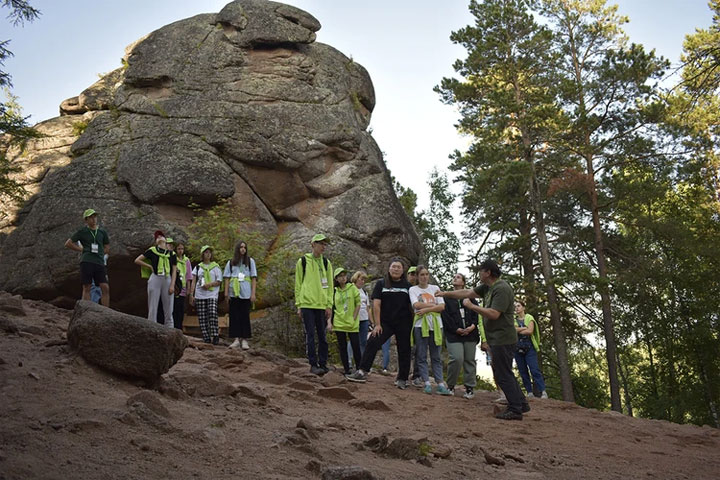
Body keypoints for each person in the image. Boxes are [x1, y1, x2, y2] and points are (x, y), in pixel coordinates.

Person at [437, 259, 529, 420]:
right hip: (497, 338)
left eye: (481, 271)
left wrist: (472, 307)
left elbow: (494, 313)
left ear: (488, 272)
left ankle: (515, 409)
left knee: (502, 374)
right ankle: (521, 403)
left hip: (503, 338)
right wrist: (445, 294)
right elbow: (466, 293)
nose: (479, 273)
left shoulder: (501, 288)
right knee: (505, 371)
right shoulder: (488, 287)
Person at [347, 258, 414, 389]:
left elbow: (413, 306)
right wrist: (377, 324)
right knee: (372, 341)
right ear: (389, 268)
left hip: (404, 323)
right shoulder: (381, 284)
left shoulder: (408, 287)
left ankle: (402, 378)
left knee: (405, 349)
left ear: (402, 270)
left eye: (398, 267)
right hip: (385, 323)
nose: (396, 269)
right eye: (393, 266)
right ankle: (362, 371)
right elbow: (376, 304)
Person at [295, 234, 334, 375]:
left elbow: (330, 285)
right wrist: (299, 304)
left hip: (322, 305)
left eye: (325, 244)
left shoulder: (326, 263)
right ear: (313, 244)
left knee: (322, 336)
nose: (323, 246)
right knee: (310, 335)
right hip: (307, 304)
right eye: (320, 243)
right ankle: (313, 364)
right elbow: (298, 284)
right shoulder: (303, 261)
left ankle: (323, 363)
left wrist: (329, 305)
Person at [410, 266, 451, 395]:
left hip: (436, 325)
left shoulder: (435, 289)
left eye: (426, 274)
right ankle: (426, 382)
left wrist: (427, 309)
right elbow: (416, 305)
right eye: (421, 274)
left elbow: (442, 306)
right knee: (421, 354)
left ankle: (440, 383)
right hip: (420, 325)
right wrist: (434, 305)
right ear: (417, 276)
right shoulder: (413, 289)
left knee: (436, 356)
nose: (424, 277)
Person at [441, 272, 480, 399]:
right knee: (456, 358)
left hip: (470, 334)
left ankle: (469, 388)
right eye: (454, 277)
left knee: (469, 360)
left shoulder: (470, 297)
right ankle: (450, 386)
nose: (455, 278)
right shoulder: (447, 298)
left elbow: (476, 313)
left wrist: (472, 326)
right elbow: (445, 316)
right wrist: (455, 329)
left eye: (458, 277)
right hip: (453, 335)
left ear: (463, 282)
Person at [64, 209, 110, 307]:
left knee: (104, 286)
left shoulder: (102, 232)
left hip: (99, 262)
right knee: (87, 286)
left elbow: (107, 247)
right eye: (91, 217)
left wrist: (101, 252)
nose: (93, 219)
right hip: (87, 261)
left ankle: (106, 311)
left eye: (95, 217)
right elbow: (68, 243)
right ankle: (87, 310)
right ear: (86, 220)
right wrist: (82, 250)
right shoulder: (82, 231)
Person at [134, 230, 177, 327]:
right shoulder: (152, 250)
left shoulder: (171, 254)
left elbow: (174, 270)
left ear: (165, 240)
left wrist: (172, 285)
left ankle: (170, 327)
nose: (159, 238)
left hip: (167, 278)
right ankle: (152, 326)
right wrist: (149, 266)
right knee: (153, 304)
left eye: (161, 236)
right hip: (156, 277)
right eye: (157, 237)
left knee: (169, 305)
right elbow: (137, 260)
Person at [223, 241, 257, 350]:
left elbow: (254, 278)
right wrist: (226, 293)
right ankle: (236, 339)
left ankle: (245, 340)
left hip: (246, 292)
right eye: (241, 247)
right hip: (234, 292)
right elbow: (227, 278)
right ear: (237, 249)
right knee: (234, 316)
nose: (243, 249)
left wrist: (253, 293)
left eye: (244, 247)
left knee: (245, 316)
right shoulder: (231, 262)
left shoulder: (250, 262)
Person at [328, 267, 361, 376]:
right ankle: (346, 369)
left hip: (352, 322)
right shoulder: (334, 291)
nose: (343, 278)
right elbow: (331, 307)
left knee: (356, 346)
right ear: (336, 279)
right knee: (342, 347)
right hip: (339, 322)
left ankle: (359, 369)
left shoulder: (352, 288)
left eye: (344, 275)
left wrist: (353, 318)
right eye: (340, 276)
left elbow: (358, 304)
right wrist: (330, 322)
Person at [514, 300, 548, 399]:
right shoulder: (513, 319)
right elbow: (512, 329)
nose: (516, 308)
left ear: (523, 307)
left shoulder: (529, 317)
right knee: (522, 370)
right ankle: (529, 392)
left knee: (534, 369)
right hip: (517, 347)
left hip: (529, 347)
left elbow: (530, 331)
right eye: (515, 307)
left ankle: (543, 391)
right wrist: (524, 328)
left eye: (519, 306)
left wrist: (519, 330)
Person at [189, 245, 223, 344]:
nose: (208, 254)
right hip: (200, 293)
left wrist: (210, 284)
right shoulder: (198, 267)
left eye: (209, 252)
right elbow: (194, 281)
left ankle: (215, 334)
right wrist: (191, 294)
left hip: (212, 293)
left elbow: (219, 281)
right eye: (206, 252)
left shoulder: (215, 266)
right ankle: (206, 336)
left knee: (212, 313)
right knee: (202, 315)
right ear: (202, 254)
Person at [349, 271, 372, 366]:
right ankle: (349, 361)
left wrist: (371, 321)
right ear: (356, 278)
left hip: (364, 319)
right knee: (352, 340)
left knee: (363, 341)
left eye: (364, 280)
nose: (362, 282)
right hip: (354, 318)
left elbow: (367, 307)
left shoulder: (364, 292)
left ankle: (362, 363)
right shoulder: (350, 288)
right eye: (361, 279)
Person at [173, 241, 192, 330]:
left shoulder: (186, 260)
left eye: (182, 249)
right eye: (179, 249)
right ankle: (174, 326)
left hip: (183, 287)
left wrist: (188, 288)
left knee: (181, 308)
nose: (180, 251)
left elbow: (188, 275)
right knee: (174, 308)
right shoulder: (173, 259)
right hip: (175, 287)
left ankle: (179, 327)